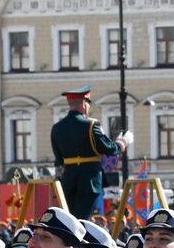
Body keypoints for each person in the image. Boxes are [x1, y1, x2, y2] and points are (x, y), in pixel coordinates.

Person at [50, 88, 128, 220]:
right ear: (84, 104)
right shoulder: (91, 125)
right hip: (89, 180)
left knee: (70, 219)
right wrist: (123, 142)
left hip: (68, 180)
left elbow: (59, 160)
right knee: (82, 220)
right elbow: (109, 149)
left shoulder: (57, 128)